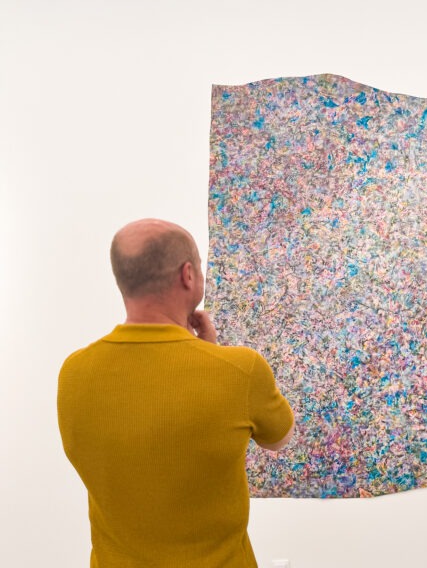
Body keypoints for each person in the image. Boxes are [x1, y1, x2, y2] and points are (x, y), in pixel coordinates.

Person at [58, 219, 294, 568]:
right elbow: (280, 439)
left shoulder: (74, 372)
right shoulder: (240, 370)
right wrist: (214, 357)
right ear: (188, 275)